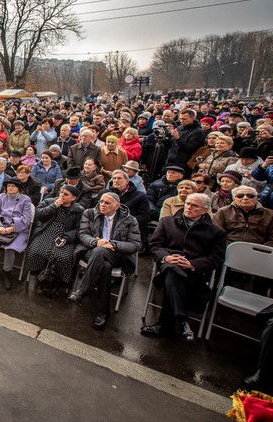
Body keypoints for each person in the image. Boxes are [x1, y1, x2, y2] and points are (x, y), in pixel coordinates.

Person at [142, 193, 226, 341]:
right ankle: (182, 319)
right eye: (187, 203)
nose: (189, 207)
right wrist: (166, 257)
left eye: (194, 205)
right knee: (172, 270)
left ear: (205, 210)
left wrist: (193, 264)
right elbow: (155, 245)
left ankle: (167, 324)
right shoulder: (167, 221)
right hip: (168, 262)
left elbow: (216, 258)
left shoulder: (216, 232)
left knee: (172, 277)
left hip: (193, 272)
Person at [70, 192, 141, 330]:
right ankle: (103, 312)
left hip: (118, 254)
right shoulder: (90, 213)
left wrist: (113, 244)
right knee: (104, 265)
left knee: (101, 254)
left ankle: (82, 290)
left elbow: (135, 245)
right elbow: (83, 234)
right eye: (101, 201)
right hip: (92, 250)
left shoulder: (130, 220)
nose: (102, 205)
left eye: (107, 203)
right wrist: (96, 242)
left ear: (117, 205)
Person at [24, 185, 85, 288]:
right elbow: (38, 214)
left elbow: (78, 229)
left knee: (64, 257)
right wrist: (53, 206)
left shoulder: (78, 210)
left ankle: (58, 280)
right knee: (36, 250)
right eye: (61, 192)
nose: (62, 195)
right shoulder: (49, 201)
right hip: (46, 229)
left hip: (65, 234)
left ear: (73, 198)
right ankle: (36, 273)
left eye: (66, 194)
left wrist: (66, 237)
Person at [0, 176, 33, 288]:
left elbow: (27, 220)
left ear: (19, 188)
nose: (10, 188)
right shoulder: (1, 197)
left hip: (18, 229)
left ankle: (7, 273)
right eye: (8, 186)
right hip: (0, 226)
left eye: (13, 186)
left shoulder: (25, 200)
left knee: (10, 248)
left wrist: (12, 228)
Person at [165, 109, 205, 174]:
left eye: (184, 119)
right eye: (180, 119)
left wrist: (178, 138)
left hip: (183, 162)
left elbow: (190, 148)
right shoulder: (179, 128)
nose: (181, 121)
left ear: (193, 118)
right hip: (171, 159)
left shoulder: (198, 132)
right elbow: (172, 143)